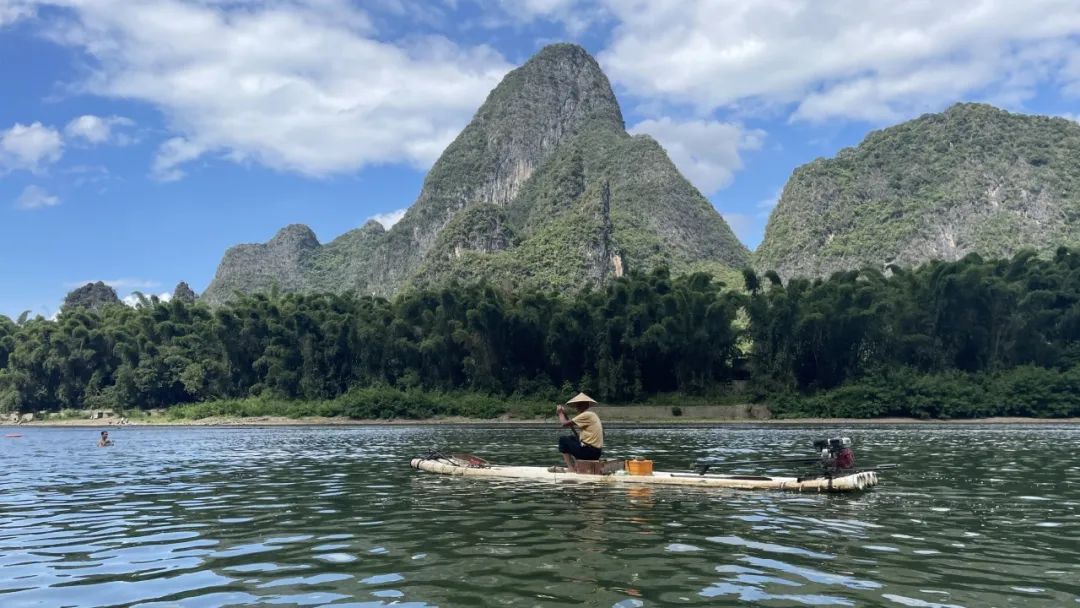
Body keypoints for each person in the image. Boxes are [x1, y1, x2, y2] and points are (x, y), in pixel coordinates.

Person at [556, 392, 603, 471]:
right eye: (576, 405)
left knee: (563, 440)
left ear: (585, 405)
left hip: (590, 453)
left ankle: (571, 468)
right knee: (572, 438)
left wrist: (560, 413)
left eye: (579, 404)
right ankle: (576, 466)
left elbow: (564, 423)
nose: (577, 407)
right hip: (596, 452)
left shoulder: (587, 414)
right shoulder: (592, 415)